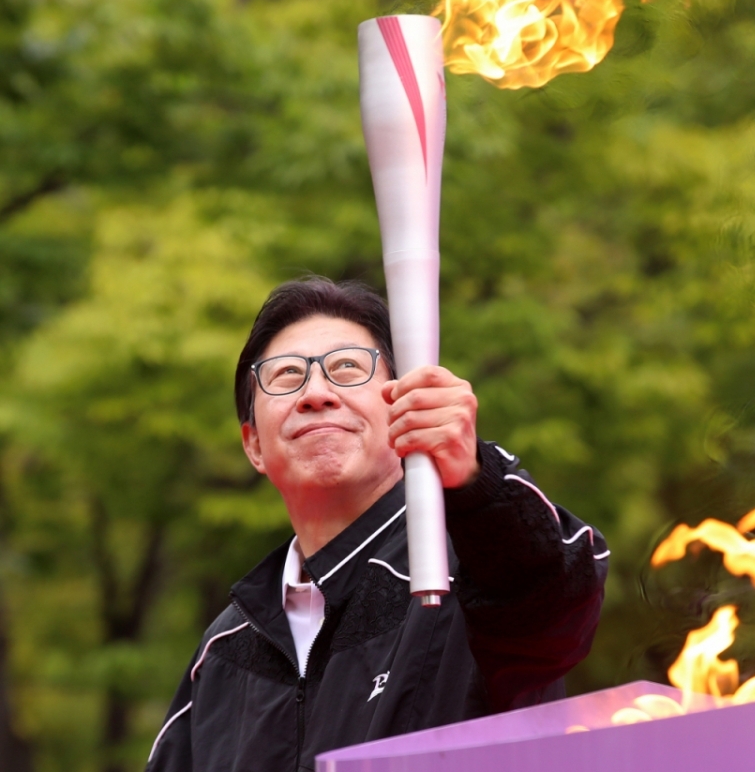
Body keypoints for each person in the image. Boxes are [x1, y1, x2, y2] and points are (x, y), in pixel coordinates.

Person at [146, 278, 608, 771]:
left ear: (405, 407)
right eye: (285, 377)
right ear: (253, 444)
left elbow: (555, 598)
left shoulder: (475, 570)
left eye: (346, 367)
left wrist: (475, 474)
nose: (316, 393)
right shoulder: (223, 653)